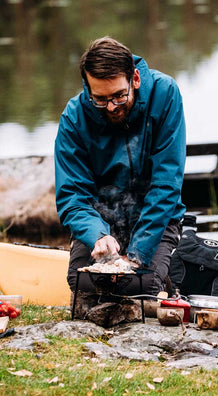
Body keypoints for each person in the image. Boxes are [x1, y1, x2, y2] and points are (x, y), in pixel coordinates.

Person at [54, 37, 186, 309]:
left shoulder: (166, 95)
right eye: (100, 99)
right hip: (101, 221)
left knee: (141, 285)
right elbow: (72, 197)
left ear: (135, 78)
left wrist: (136, 255)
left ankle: (166, 277)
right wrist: (97, 235)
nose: (111, 107)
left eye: (118, 96)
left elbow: (166, 185)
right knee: (82, 281)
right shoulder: (73, 117)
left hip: (156, 221)